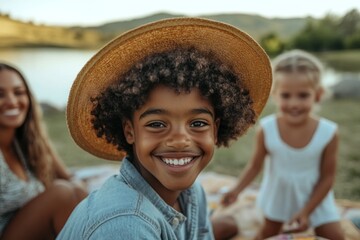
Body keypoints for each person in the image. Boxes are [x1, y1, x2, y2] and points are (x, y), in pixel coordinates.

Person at [56, 17, 272, 240]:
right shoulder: (125, 226)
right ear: (130, 131)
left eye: (198, 123)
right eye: (157, 124)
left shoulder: (192, 194)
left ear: (215, 130)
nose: (179, 140)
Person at [221, 49, 345, 239]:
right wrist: (236, 190)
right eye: (286, 96)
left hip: (316, 200)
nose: (294, 103)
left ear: (318, 95)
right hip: (279, 198)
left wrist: (306, 211)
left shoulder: (328, 132)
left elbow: (327, 178)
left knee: (336, 236)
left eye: (303, 95)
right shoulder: (267, 128)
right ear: (275, 95)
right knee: (267, 234)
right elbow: (255, 166)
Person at [0, 62, 87, 240]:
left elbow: (69, 178)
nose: (12, 101)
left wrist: (83, 194)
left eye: (18, 92)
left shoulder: (31, 142)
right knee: (62, 193)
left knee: (75, 192)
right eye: (0, 95)